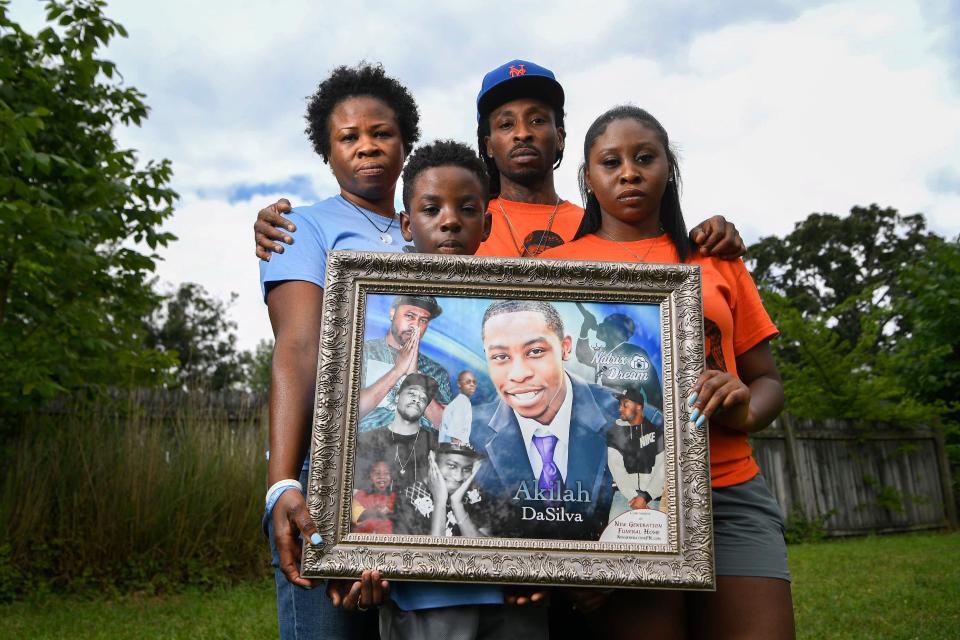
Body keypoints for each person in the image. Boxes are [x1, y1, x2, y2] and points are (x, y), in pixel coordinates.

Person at [541, 105, 793, 639]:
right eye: (611, 161)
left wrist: (744, 406)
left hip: (728, 490)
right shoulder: (558, 268)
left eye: (644, 158)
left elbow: (768, 380)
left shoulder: (715, 259)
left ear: (668, 169)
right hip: (620, 495)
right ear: (588, 178)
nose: (629, 171)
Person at [328, 140, 548, 640]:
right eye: (431, 209)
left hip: (505, 581)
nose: (449, 221)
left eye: (467, 209)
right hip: (413, 570)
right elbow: (347, 418)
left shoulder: (517, 305)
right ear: (408, 225)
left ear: (486, 224)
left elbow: (449, 424)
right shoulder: (357, 341)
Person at [253, 59, 748, 264]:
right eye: (505, 123)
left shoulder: (600, 225)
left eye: (538, 119)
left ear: (560, 137)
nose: (523, 132)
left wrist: (710, 236)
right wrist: (282, 221)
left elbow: (658, 252)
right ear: (486, 143)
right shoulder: (458, 218)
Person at [258, 62, 421, 640]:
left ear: (406, 141)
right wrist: (283, 481)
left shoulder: (436, 222)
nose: (366, 147)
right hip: (327, 469)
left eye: (381, 133)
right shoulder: (301, 229)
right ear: (326, 152)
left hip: (416, 465)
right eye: (347, 137)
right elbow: (298, 349)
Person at [469, 300, 621, 541]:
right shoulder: (469, 433)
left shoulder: (627, 417)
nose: (518, 374)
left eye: (535, 352)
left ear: (565, 348)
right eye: (500, 356)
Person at [359, 294, 452, 432]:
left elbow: (448, 428)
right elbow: (348, 412)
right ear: (392, 313)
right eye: (410, 316)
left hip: (420, 451)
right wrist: (397, 371)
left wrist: (413, 376)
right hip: (368, 448)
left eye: (423, 320)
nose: (415, 326)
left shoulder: (436, 371)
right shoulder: (362, 353)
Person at [356, 373, 440, 495]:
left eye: (423, 399)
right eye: (412, 393)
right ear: (397, 397)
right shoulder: (367, 441)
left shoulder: (435, 444)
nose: (417, 399)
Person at [574, 304, 663, 413]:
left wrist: (656, 423)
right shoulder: (602, 352)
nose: (600, 326)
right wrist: (584, 329)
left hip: (624, 418)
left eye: (606, 324)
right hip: (603, 415)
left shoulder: (635, 353)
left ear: (619, 332)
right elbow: (583, 356)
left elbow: (653, 393)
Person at [393, 443, 490, 537]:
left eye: (467, 469)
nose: (459, 477)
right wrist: (439, 502)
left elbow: (484, 550)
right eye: (452, 466)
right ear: (433, 458)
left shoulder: (475, 496)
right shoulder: (407, 499)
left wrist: (457, 504)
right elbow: (432, 553)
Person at [606, 388, 664, 521]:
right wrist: (633, 497)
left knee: (652, 540)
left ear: (639, 407)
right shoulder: (614, 433)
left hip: (652, 499)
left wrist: (645, 497)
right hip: (622, 499)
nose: (620, 408)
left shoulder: (657, 433)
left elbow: (662, 469)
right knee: (614, 539)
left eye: (625, 404)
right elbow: (617, 468)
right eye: (620, 404)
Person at [352, 460, 396, 534]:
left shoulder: (395, 498)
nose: (382, 477)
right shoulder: (360, 495)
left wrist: (391, 513)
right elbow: (354, 517)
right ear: (371, 475)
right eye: (377, 473)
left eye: (386, 473)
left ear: (391, 477)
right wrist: (374, 512)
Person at [439, 370, 478, 444]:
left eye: (474, 382)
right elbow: (456, 438)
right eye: (468, 382)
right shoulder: (462, 403)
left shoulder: (461, 401)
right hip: (452, 452)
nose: (472, 384)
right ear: (459, 384)